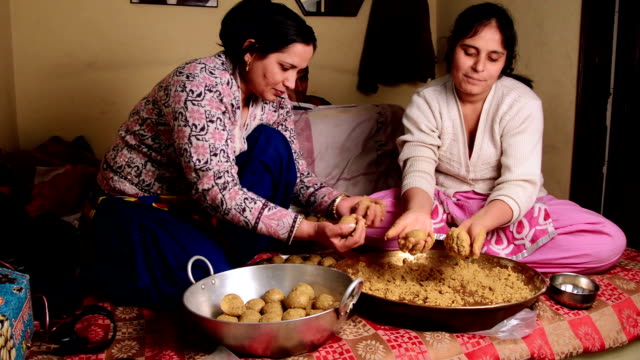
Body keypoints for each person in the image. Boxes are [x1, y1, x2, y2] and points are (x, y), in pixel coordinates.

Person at [86, 0, 384, 308]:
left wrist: (338, 202)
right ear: (250, 51)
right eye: (285, 68)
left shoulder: (273, 97)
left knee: (272, 144)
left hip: (202, 211)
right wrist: (308, 229)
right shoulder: (198, 85)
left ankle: (241, 252)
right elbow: (215, 191)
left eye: (299, 71)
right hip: (142, 206)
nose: (292, 83)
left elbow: (296, 172)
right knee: (214, 286)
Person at [366, 2, 626, 274]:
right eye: (469, 52)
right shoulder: (426, 100)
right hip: (438, 203)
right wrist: (418, 213)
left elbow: (519, 182)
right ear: (452, 48)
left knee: (608, 242)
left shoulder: (522, 103)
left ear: (505, 61)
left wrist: (481, 223)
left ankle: (450, 251)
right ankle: (462, 248)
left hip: (502, 210)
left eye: (493, 58)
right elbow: (418, 162)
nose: (479, 67)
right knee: (359, 224)